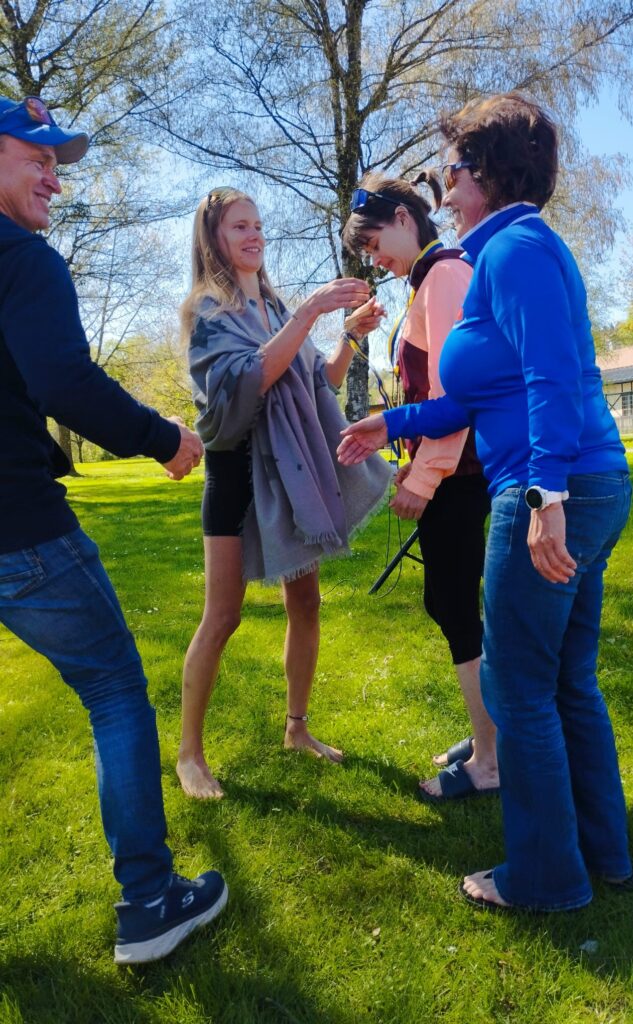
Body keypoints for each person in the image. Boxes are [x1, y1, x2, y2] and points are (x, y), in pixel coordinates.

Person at [338, 91, 633, 912]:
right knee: (567, 679)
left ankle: (545, 877)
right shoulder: (505, 250)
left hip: (550, 486)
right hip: (578, 482)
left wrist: (544, 497)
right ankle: (603, 854)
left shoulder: (515, 250)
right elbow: (477, 398)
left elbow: (546, 379)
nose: (443, 185)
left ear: (487, 174)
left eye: (452, 169)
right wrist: (389, 420)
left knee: (517, 689)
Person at [0, 94, 227, 963]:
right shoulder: (23, 260)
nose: (55, 176)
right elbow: (60, 378)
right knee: (114, 693)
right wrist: (162, 436)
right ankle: (150, 902)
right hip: (18, 530)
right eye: (38, 156)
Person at [177, 186, 392, 799]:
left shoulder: (273, 306)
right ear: (213, 237)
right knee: (223, 616)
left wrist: (346, 333)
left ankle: (296, 728)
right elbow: (244, 388)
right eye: (239, 226)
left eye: (257, 225)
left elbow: (314, 381)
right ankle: (190, 754)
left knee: (307, 603)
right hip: (237, 474)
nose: (253, 235)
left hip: (288, 470)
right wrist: (310, 313)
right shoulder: (208, 311)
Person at [341, 173, 496, 801]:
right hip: (445, 471)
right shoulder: (426, 280)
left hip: (460, 475)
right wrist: (414, 464)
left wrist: (425, 476)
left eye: (375, 242)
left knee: (455, 603)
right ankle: (490, 734)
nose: (375, 258)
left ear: (406, 217)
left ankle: (490, 761)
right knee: (455, 603)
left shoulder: (445, 276)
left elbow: (457, 395)